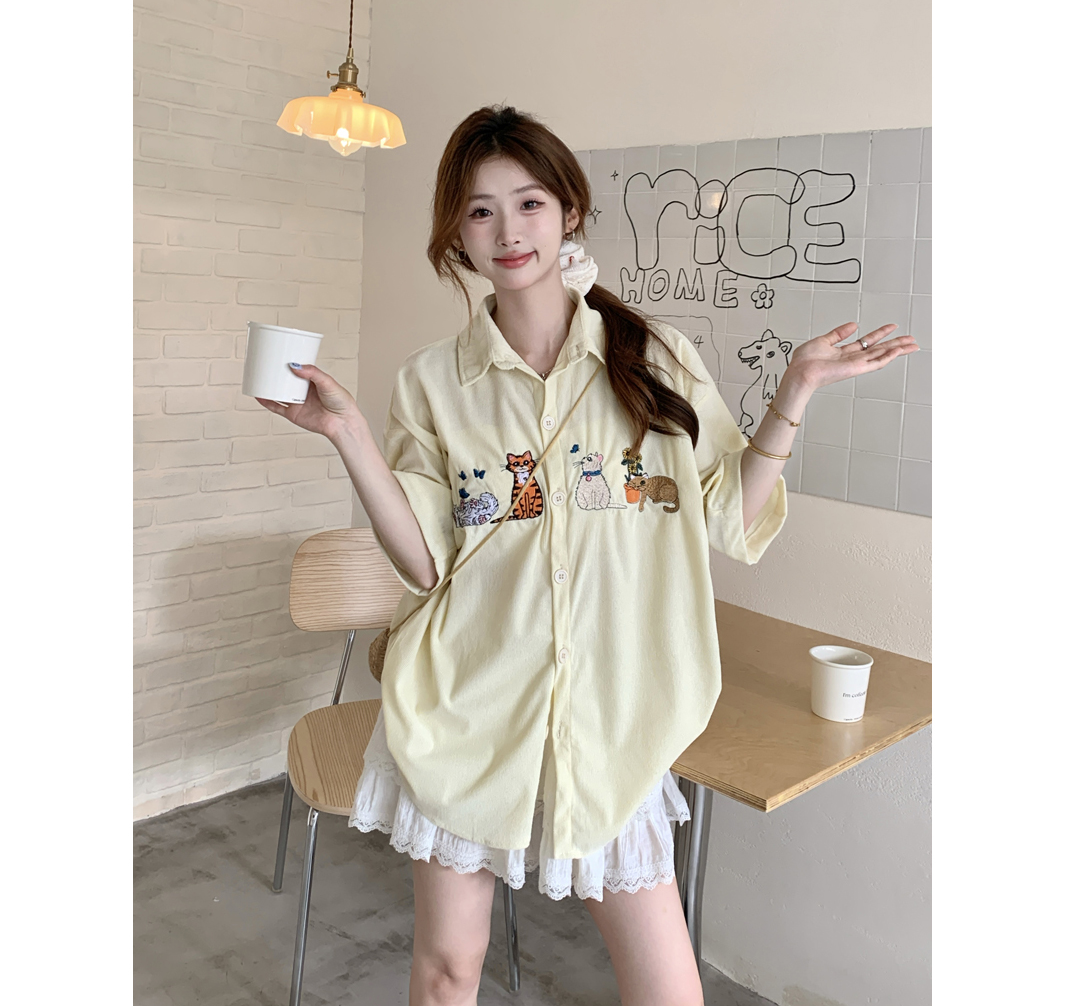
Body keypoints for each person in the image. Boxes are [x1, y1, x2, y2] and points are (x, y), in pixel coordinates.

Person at [257, 104, 918, 1006]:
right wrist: (350, 438)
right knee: (448, 973)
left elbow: (731, 517)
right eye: (481, 210)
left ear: (569, 211)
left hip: (613, 721)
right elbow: (424, 564)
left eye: (529, 203)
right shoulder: (431, 383)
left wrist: (794, 391)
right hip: (468, 705)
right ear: (456, 232)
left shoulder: (655, 359)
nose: (508, 230)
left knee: (668, 990)